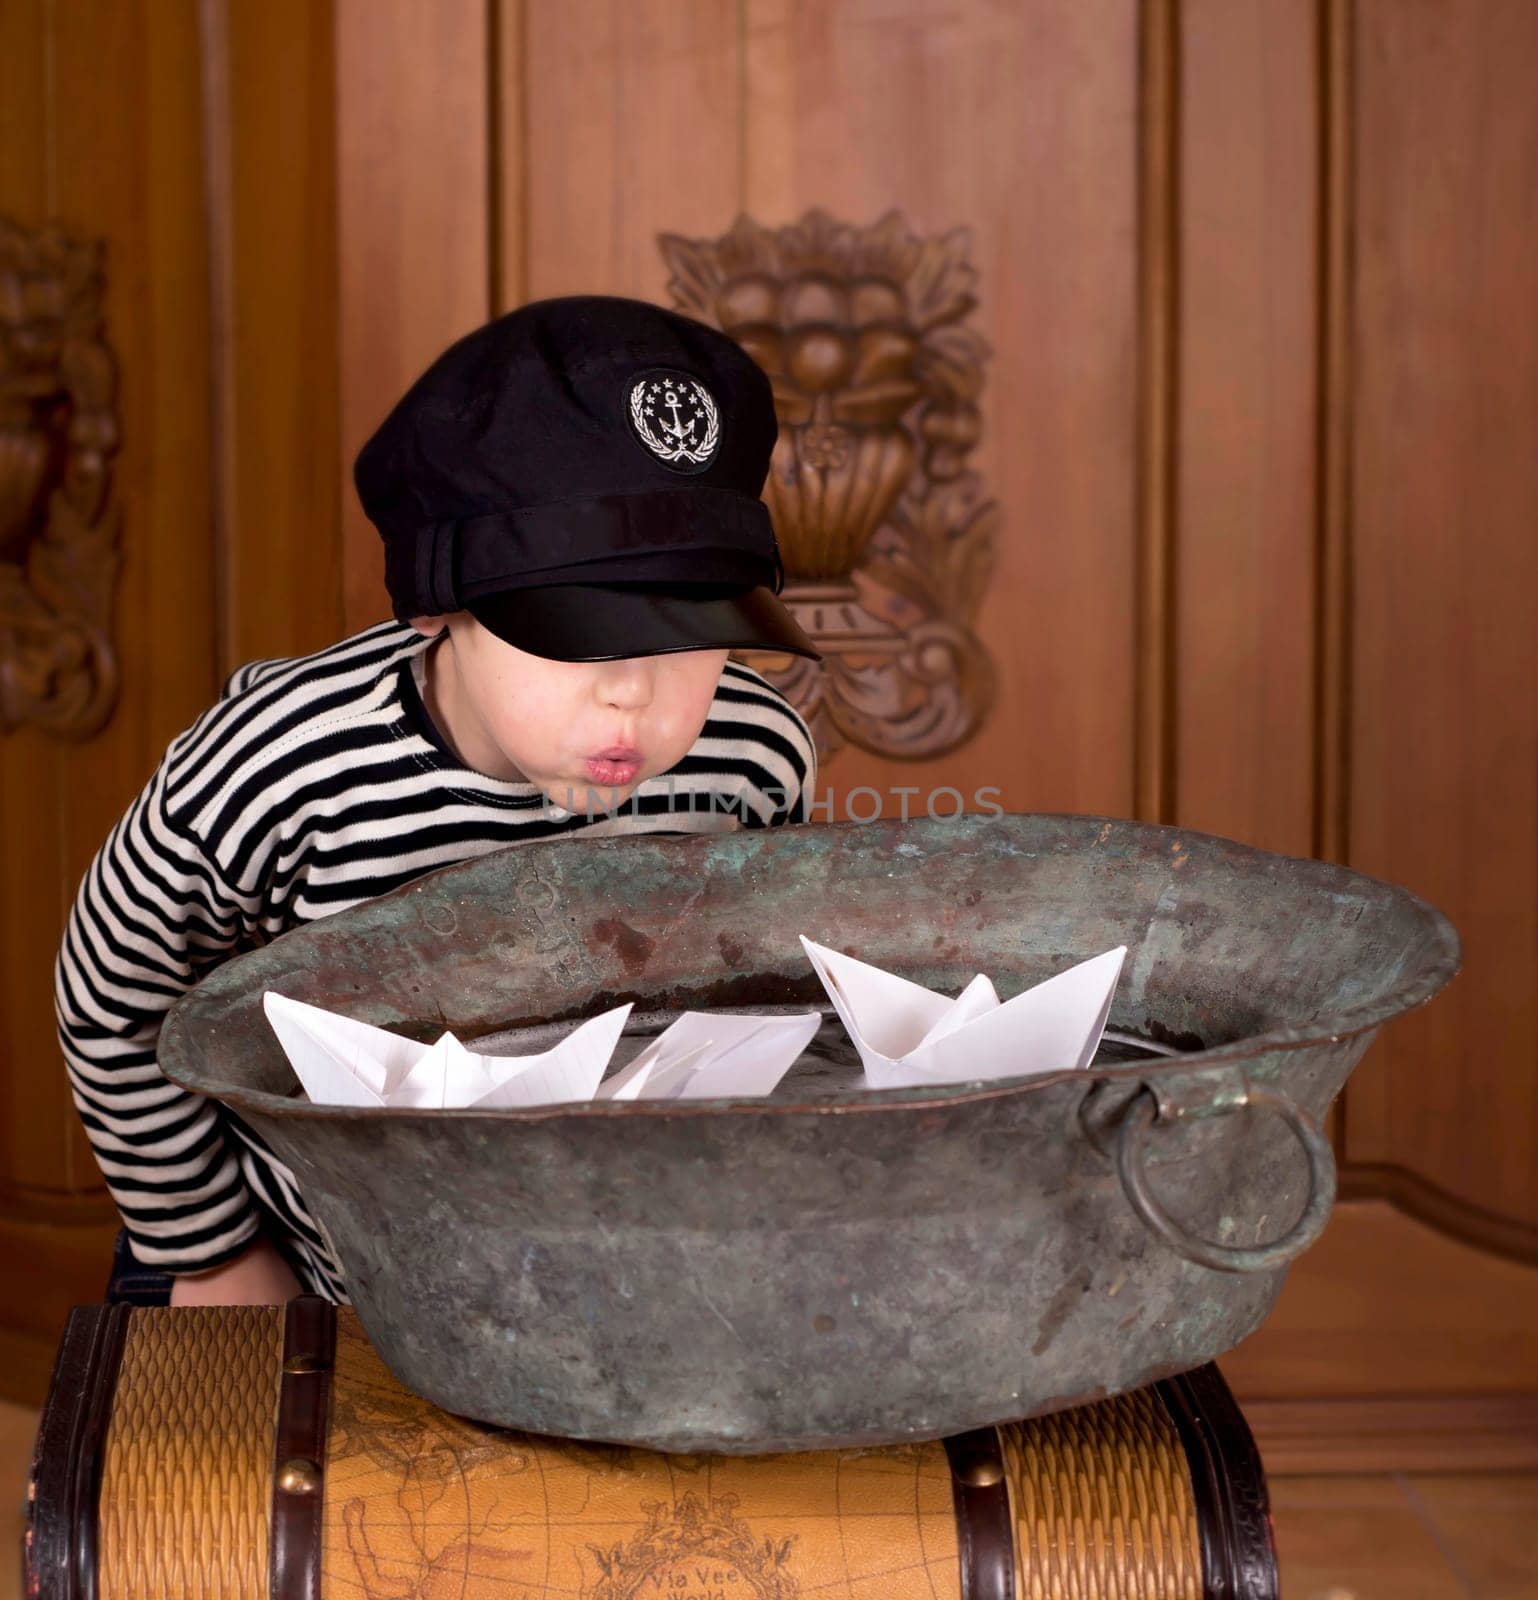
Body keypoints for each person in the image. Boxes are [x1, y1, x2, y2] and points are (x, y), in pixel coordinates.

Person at [56, 296, 820, 1307]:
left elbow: (757, 992)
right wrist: (209, 1253)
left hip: (609, 1262)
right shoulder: (278, 769)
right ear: (438, 603)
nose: (633, 691)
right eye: (574, 627)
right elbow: (112, 997)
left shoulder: (753, 754)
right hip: (311, 1271)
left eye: (693, 627)